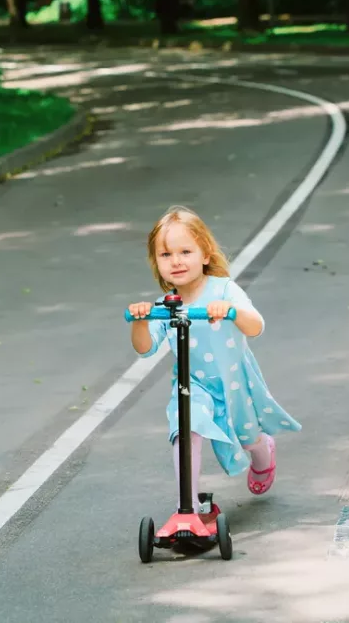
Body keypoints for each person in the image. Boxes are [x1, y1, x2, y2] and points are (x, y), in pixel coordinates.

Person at [127, 206, 302, 515]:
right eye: (166, 255)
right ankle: (188, 507)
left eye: (185, 251)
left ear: (205, 254)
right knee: (185, 430)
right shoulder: (165, 306)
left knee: (249, 438)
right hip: (191, 386)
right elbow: (145, 348)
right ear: (157, 262)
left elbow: (256, 326)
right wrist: (141, 320)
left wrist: (230, 310)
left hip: (234, 382)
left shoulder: (223, 289)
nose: (177, 261)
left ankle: (264, 453)